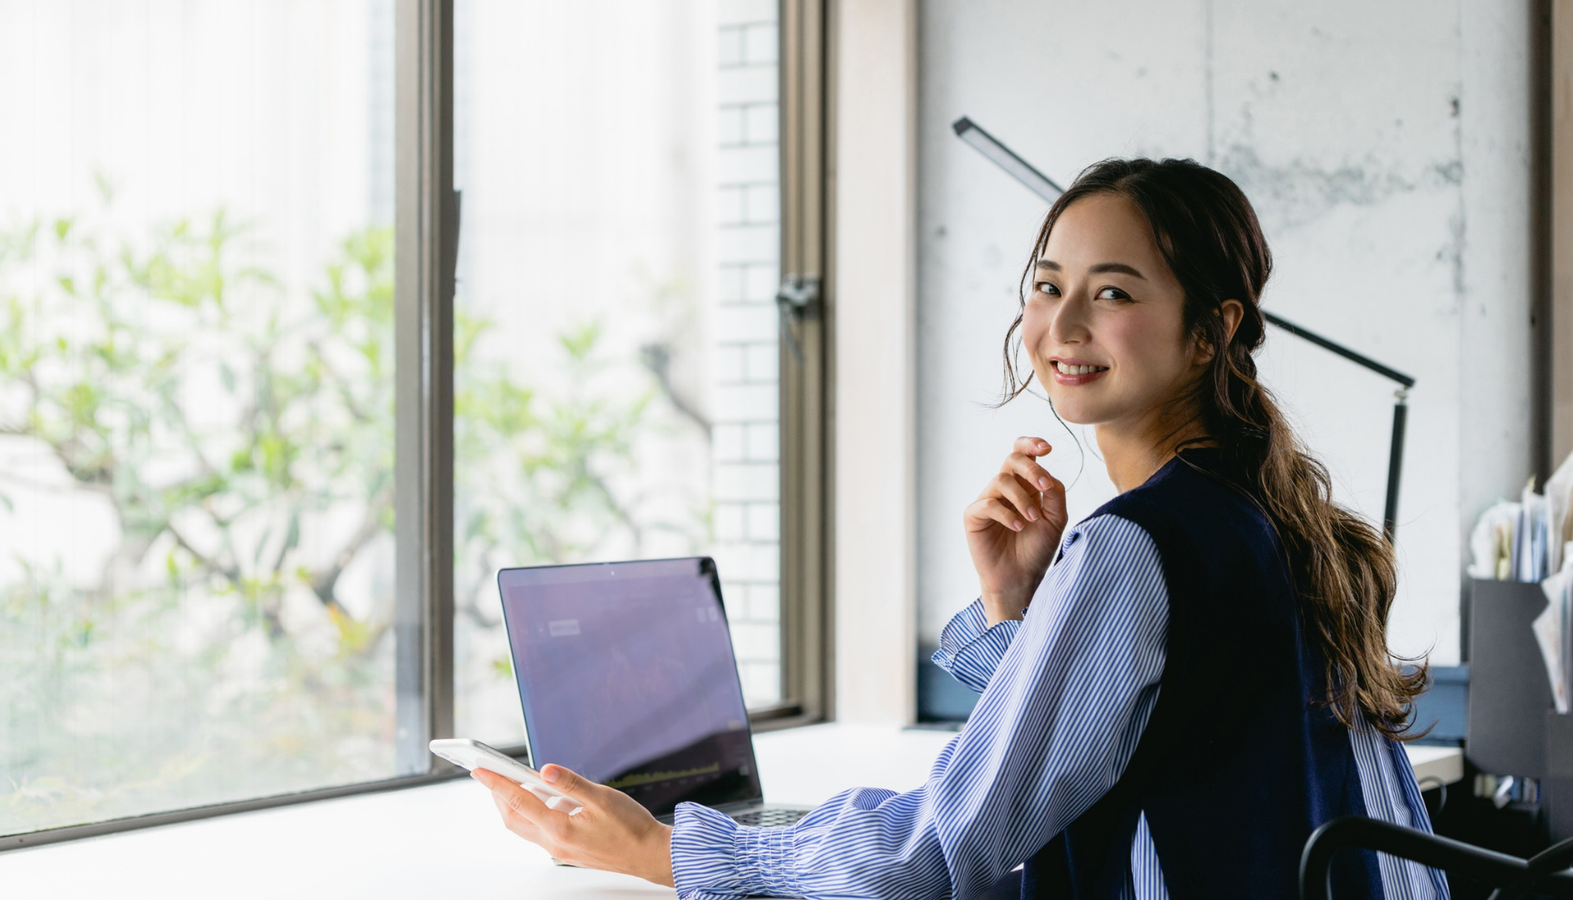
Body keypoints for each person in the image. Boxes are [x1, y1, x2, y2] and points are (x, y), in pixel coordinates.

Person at [469, 158, 1450, 900]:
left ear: (1211, 328)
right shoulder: (1268, 518)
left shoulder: (1134, 547)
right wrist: (1016, 610)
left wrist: (666, 849)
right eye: (1045, 283)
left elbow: (941, 848)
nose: (1061, 323)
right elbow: (1148, 736)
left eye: (1111, 292)